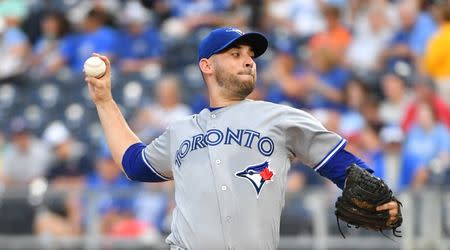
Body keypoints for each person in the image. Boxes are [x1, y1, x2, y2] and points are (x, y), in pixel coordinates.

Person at [84, 27, 400, 249]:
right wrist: (104, 101)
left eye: (250, 55)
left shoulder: (280, 118)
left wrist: (380, 196)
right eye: (235, 53)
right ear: (206, 66)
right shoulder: (180, 131)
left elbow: (342, 166)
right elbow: (134, 164)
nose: (248, 60)